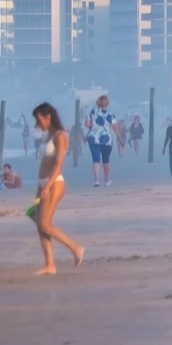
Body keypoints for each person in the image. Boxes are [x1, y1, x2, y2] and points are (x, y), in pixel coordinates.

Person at [30, 102, 85, 275]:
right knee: (38, 221)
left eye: (39, 120)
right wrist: (41, 187)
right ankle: (50, 264)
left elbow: (58, 164)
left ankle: (76, 248)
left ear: (48, 117)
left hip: (54, 184)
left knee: (45, 224)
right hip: (42, 184)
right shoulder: (48, 135)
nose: (37, 124)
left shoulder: (61, 136)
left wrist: (47, 187)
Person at [85, 94, 122, 187]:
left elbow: (87, 124)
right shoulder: (110, 114)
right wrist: (120, 138)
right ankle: (106, 179)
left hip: (93, 138)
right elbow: (115, 127)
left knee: (96, 159)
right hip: (106, 140)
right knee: (106, 160)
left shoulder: (93, 111)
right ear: (107, 103)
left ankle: (96, 180)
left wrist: (94, 128)